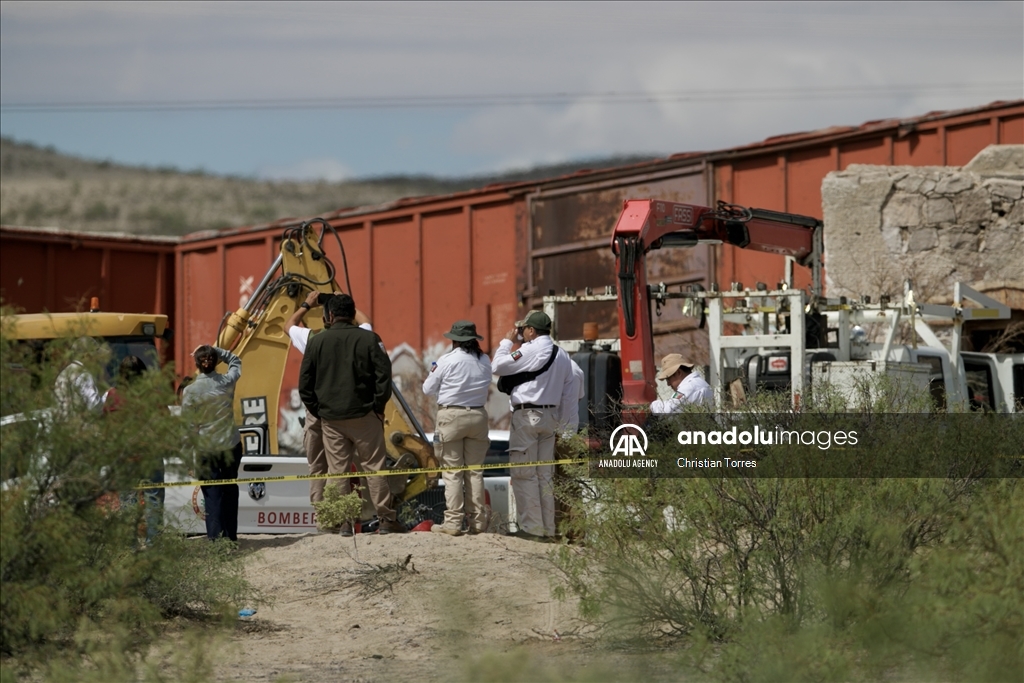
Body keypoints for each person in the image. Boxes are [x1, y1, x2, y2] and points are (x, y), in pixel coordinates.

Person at [298, 293, 405, 534]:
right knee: (374, 467)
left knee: (337, 471)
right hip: (365, 415)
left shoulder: (316, 342)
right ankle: (386, 520)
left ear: (331, 315)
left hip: (332, 419)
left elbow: (304, 385)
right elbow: (383, 376)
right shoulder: (369, 339)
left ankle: (344, 521)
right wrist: (378, 407)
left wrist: (320, 411)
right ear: (352, 313)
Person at [491, 310, 575, 541]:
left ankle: (532, 529)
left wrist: (507, 340)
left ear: (531, 330)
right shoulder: (562, 355)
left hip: (528, 415)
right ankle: (548, 529)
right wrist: (565, 427)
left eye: (523, 330)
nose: (522, 334)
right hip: (551, 417)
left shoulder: (529, 349)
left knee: (524, 473)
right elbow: (569, 394)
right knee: (544, 475)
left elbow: (497, 366)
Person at [284, 290, 373, 506]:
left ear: (327, 318)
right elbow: (366, 321)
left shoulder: (312, 340)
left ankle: (324, 517)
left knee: (317, 467)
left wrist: (307, 303)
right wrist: (343, 300)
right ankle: (345, 514)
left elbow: (289, 325)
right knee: (341, 465)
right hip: (348, 411)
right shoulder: (359, 337)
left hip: (317, 412)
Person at [422, 320, 492, 536]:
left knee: (452, 472)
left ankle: (453, 523)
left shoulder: (447, 360)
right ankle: (478, 523)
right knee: (475, 471)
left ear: (455, 340)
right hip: (479, 415)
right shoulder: (484, 360)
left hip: (451, 415)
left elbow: (427, 389)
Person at [182, 345, 243, 542]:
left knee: (212, 496)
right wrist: (217, 350)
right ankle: (231, 537)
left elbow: (189, 427)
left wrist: (186, 457)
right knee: (230, 490)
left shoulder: (190, 391)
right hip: (230, 445)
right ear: (216, 362)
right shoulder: (226, 382)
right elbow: (236, 361)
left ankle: (215, 540)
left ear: (196, 364)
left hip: (206, 449)